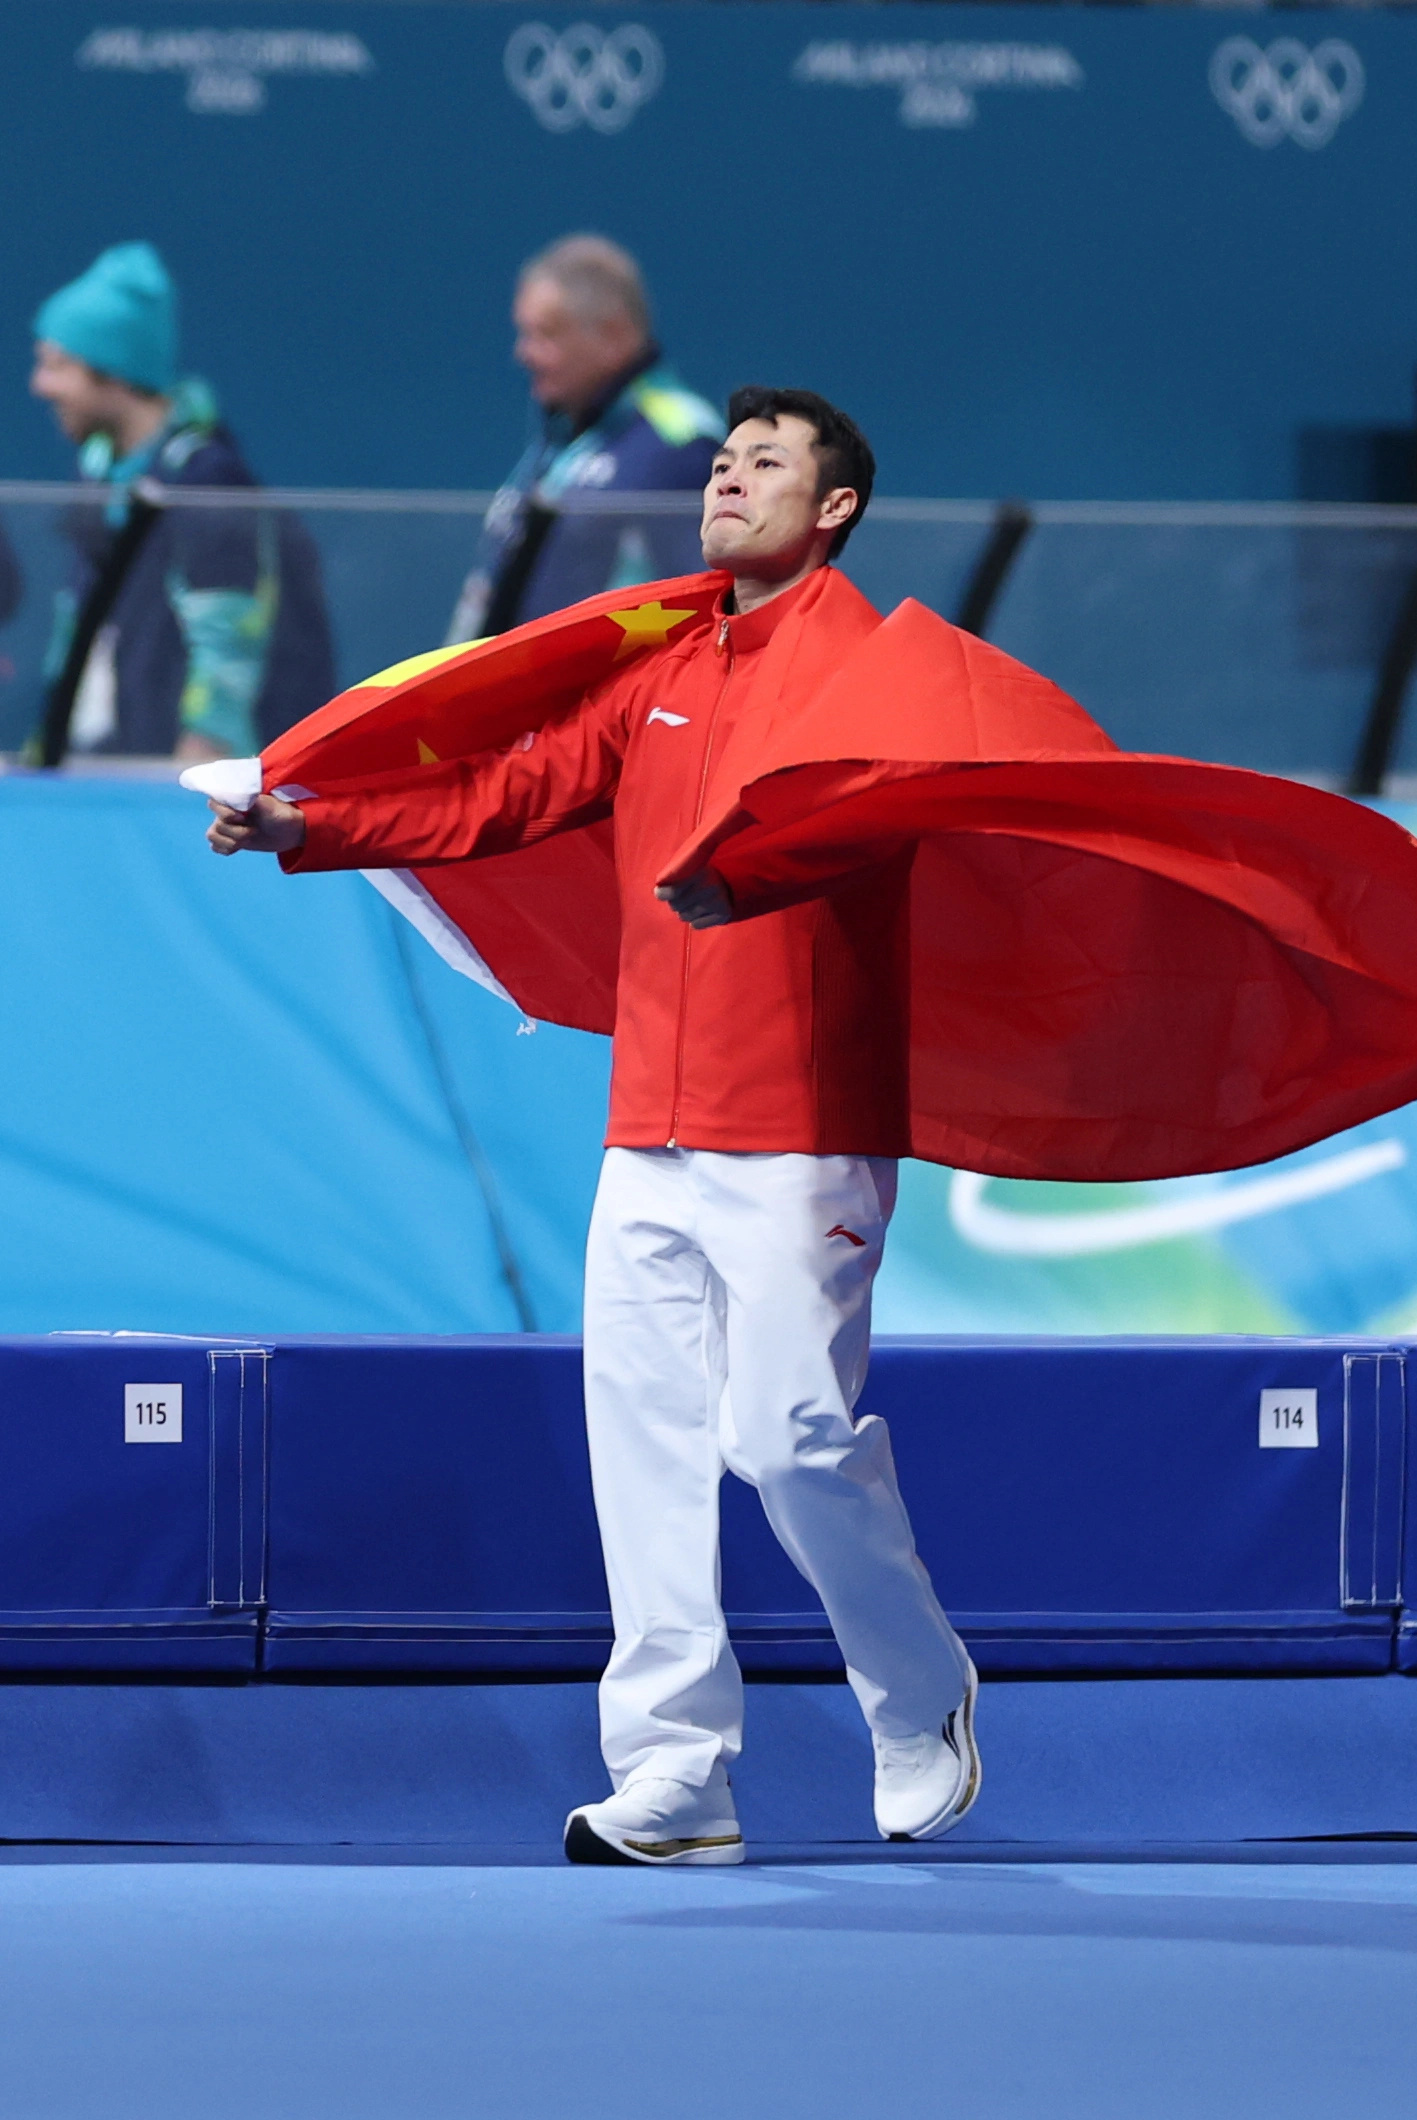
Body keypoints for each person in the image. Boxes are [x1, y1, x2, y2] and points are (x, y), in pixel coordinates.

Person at [207, 388, 981, 1864]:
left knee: (790, 1440)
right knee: (645, 1449)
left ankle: (917, 1686)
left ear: (834, 508)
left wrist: (750, 877)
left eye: (766, 464)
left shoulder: (881, 666)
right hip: (650, 1131)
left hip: (803, 1125)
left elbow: (888, 813)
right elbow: (509, 794)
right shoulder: (662, 672)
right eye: (722, 461)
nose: (727, 479)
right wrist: (314, 825)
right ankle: (676, 1773)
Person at [29, 241, 334, 761]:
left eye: (57, 366)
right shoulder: (99, 476)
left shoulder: (209, 482)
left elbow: (227, 655)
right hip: (114, 767)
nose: (40, 385)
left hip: (181, 789)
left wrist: (191, 776)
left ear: (112, 372)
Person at [446, 234, 723, 643]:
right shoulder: (562, 437)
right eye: (524, 333)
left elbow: (694, 610)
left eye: (545, 334)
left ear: (613, 334)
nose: (524, 353)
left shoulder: (680, 442)